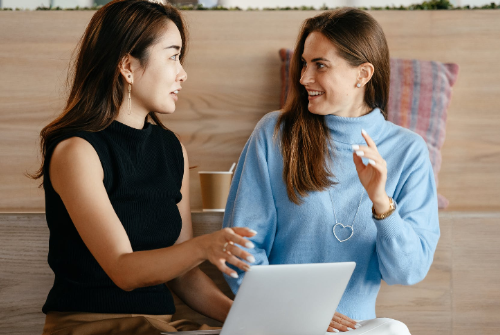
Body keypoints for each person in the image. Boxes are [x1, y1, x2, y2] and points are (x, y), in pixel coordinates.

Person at [30, 1, 256, 334]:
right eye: (173, 56)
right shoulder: (77, 152)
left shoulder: (171, 148)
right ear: (128, 67)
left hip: (157, 325)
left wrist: (252, 318)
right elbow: (124, 271)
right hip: (92, 326)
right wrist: (204, 246)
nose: (183, 73)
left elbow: (183, 274)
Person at [223, 8, 440, 334]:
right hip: (278, 323)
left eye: (320, 65)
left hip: (356, 328)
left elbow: (406, 272)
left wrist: (381, 202)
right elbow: (239, 251)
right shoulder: (275, 134)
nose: (304, 78)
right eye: (304, 63)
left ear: (362, 74)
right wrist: (299, 313)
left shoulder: (408, 151)